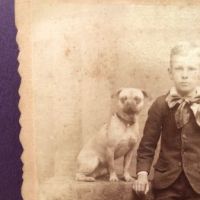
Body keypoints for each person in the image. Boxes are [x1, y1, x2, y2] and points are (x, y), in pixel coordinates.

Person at [133, 42, 200, 200]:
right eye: (179, 68)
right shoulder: (160, 104)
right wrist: (142, 175)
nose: (184, 75)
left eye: (191, 69)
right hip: (167, 184)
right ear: (170, 73)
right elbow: (147, 146)